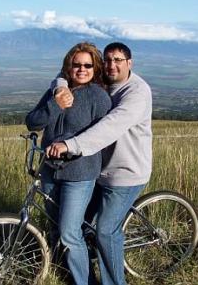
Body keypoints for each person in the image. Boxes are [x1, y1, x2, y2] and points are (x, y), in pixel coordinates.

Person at [47, 42, 153, 285]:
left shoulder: (137, 92)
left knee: (106, 231)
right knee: (80, 224)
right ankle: (85, 272)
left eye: (118, 60)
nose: (111, 65)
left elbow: (110, 127)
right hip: (98, 170)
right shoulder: (104, 79)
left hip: (126, 173)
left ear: (130, 63)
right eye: (107, 60)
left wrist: (70, 145)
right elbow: (67, 72)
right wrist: (60, 88)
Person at [25, 42, 111, 285]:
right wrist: (55, 104)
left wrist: (70, 148)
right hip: (50, 170)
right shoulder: (56, 91)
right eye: (76, 65)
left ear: (95, 68)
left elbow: (101, 137)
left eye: (88, 65)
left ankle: (85, 281)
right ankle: (61, 269)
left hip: (80, 174)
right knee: (54, 225)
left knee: (70, 232)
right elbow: (32, 122)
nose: (82, 69)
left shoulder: (98, 97)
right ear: (68, 67)